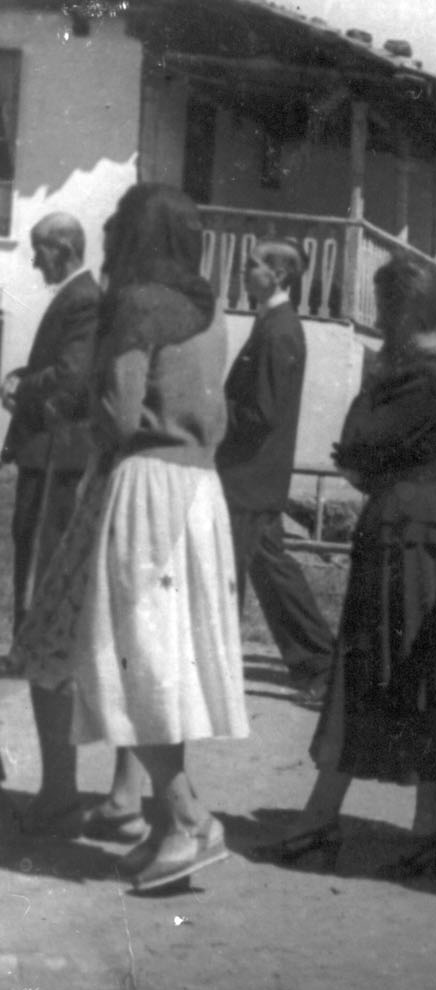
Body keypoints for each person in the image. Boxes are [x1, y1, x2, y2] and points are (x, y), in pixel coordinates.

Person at [12, 184, 248, 890]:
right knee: (154, 653)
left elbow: (117, 413)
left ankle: (185, 819)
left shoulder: (135, 305)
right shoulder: (211, 313)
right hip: (199, 490)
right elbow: (217, 415)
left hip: (143, 484)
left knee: (127, 656)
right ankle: (167, 817)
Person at [251, 257, 436, 878]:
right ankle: (427, 828)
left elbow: (355, 445)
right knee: (424, 670)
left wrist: (370, 401)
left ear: (406, 313)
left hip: (403, 531)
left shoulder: (419, 375)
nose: (381, 324)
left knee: (367, 671)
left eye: (386, 311)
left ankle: (320, 821)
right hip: (423, 527)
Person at [0, 212, 101, 836]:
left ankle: (57, 788)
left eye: (40, 253)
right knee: (28, 583)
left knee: (39, 588)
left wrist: (20, 388)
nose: (35, 263)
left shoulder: (84, 300)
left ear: (62, 250)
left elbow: (72, 376)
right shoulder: (76, 295)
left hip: (58, 458)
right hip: (46, 457)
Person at [215, 239, 336, 706]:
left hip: (249, 477)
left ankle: (318, 667)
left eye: (254, 266)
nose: (245, 272)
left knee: (232, 575)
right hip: (251, 476)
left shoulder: (281, 330)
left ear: (281, 276)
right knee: (271, 571)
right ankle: (321, 666)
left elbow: (260, 413)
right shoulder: (271, 324)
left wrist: (211, 408)